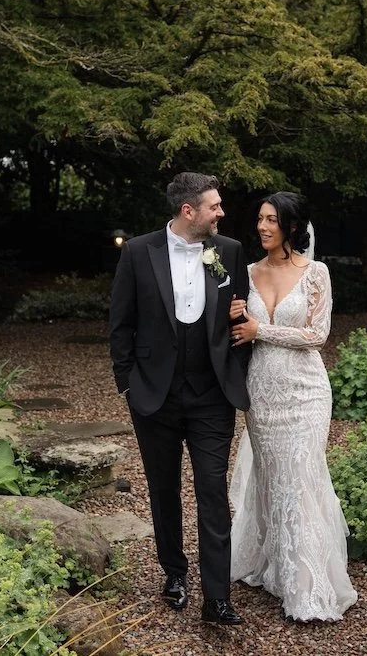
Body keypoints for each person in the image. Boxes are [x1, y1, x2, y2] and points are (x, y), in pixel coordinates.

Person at [108, 172, 252, 625]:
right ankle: (174, 573)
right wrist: (128, 384)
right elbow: (120, 324)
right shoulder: (137, 251)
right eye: (214, 206)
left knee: (212, 491)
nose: (221, 213)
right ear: (188, 211)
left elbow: (240, 318)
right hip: (154, 395)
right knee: (163, 488)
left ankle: (218, 597)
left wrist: (234, 370)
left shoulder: (227, 251)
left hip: (212, 395)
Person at [227, 191, 358, 622]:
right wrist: (232, 315)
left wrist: (259, 329)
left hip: (307, 391)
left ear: (293, 227)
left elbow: (316, 335)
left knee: (300, 478)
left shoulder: (316, 272)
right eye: (260, 219)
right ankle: (276, 567)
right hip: (262, 392)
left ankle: (307, 586)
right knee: (272, 481)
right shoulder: (245, 273)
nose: (263, 227)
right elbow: (233, 327)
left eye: (272, 220)